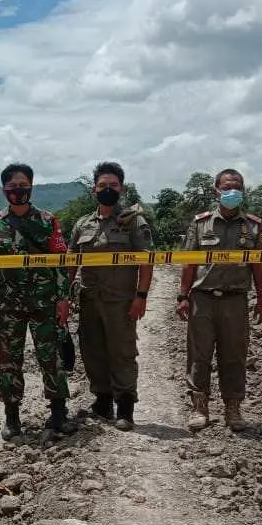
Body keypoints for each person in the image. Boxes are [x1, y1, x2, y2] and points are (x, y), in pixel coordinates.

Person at [0, 163, 71, 440]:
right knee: (8, 361)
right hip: (9, 305)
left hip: (45, 302)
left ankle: (58, 413)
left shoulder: (47, 220)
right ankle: (12, 416)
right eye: (13, 187)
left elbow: (61, 262)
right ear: (4, 189)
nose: (19, 191)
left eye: (23, 185)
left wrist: (64, 299)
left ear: (32, 186)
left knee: (50, 357)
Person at [177, 169, 262, 432]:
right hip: (202, 299)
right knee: (199, 354)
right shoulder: (200, 223)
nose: (233, 190)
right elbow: (188, 263)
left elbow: (260, 266)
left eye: (237, 186)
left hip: (235, 300)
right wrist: (183, 296)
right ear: (216, 190)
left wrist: (261, 299)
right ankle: (199, 407)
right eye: (227, 186)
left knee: (234, 355)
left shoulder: (253, 225)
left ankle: (233, 408)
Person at [68, 161, 154, 431]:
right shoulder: (82, 224)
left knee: (122, 352)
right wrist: (65, 293)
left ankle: (125, 408)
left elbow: (147, 261)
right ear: (94, 189)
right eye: (103, 185)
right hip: (89, 299)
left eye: (113, 185)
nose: (107, 189)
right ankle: (102, 402)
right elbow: (71, 261)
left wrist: (141, 296)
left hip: (121, 301)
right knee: (93, 352)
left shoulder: (132, 221)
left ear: (122, 188)